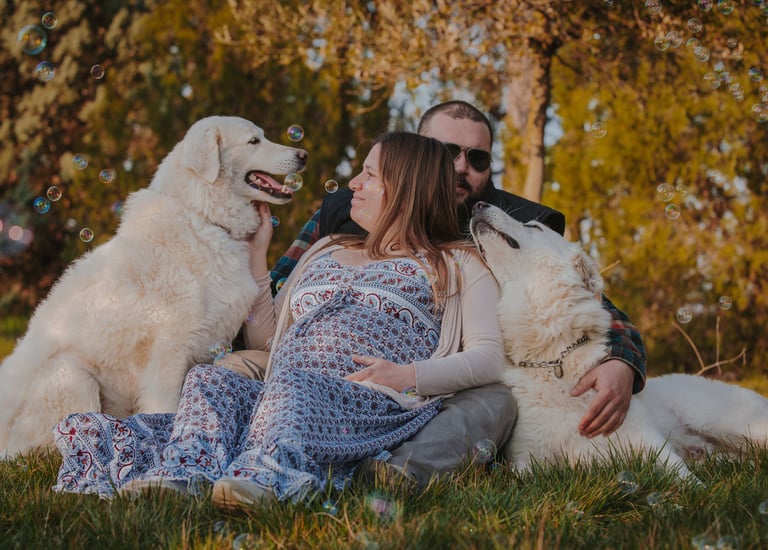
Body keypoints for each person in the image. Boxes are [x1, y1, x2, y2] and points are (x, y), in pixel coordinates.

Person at [52, 131, 504, 507]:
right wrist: (257, 258)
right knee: (211, 381)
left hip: (368, 403)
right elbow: (269, 339)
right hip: (281, 395)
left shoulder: (455, 263)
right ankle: (184, 475)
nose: (354, 184)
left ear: (405, 187)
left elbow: (488, 357)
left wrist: (408, 375)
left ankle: (271, 479)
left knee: (293, 386)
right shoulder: (329, 248)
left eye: (369, 174)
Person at [264, 100, 646, 488]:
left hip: (441, 384)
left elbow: (578, 300)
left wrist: (621, 358)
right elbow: (278, 288)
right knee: (235, 368)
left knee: (496, 401)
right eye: (448, 153)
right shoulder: (347, 209)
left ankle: (394, 474)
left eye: (478, 158)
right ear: (411, 153)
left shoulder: (505, 224)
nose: (462, 167)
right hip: (317, 368)